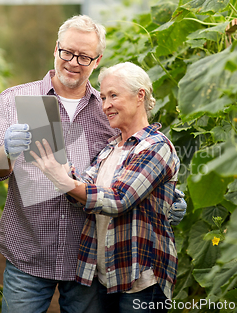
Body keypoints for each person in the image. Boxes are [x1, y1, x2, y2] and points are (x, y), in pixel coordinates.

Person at [0, 15, 118, 313]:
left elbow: (126, 166)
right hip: (28, 248)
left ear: (97, 60)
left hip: (87, 255)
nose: (73, 62)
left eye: (84, 56)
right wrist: (7, 152)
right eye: (67, 52)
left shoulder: (107, 111)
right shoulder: (16, 99)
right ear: (56, 49)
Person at [30, 62, 185, 313]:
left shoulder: (155, 146)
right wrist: (58, 162)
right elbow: (84, 188)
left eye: (113, 95)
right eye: (102, 97)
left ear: (140, 96)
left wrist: (64, 180)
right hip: (106, 276)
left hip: (141, 279)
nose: (105, 105)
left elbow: (118, 200)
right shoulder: (111, 147)